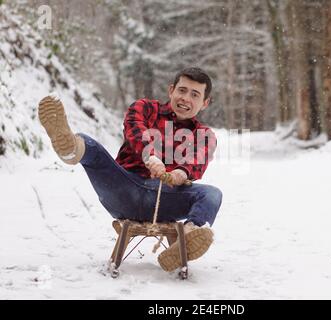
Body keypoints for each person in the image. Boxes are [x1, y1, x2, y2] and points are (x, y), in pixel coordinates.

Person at [38, 67, 223, 272]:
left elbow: (197, 160)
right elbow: (135, 128)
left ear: (205, 103)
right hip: (124, 188)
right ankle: (70, 148)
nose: (185, 98)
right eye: (182, 90)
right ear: (171, 90)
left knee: (212, 194)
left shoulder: (204, 134)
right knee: (90, 145)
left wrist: (180, 174)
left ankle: (188, 237)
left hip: (165, 199)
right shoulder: (145, 107)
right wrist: (150, 155)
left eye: (194, 94)